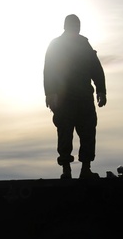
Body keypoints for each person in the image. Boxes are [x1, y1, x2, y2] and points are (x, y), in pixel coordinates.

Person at [43, 14, 107, 180]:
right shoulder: (56, 45)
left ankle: (86, 169)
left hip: (84, 98)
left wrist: (101, 90)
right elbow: (49, 70)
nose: (75, 29)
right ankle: (66, 170)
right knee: (65, 133)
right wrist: (50, 93)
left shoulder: (84, 45)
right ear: (67, 26)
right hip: (64, 99)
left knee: (88, 133)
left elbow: (96, 68)